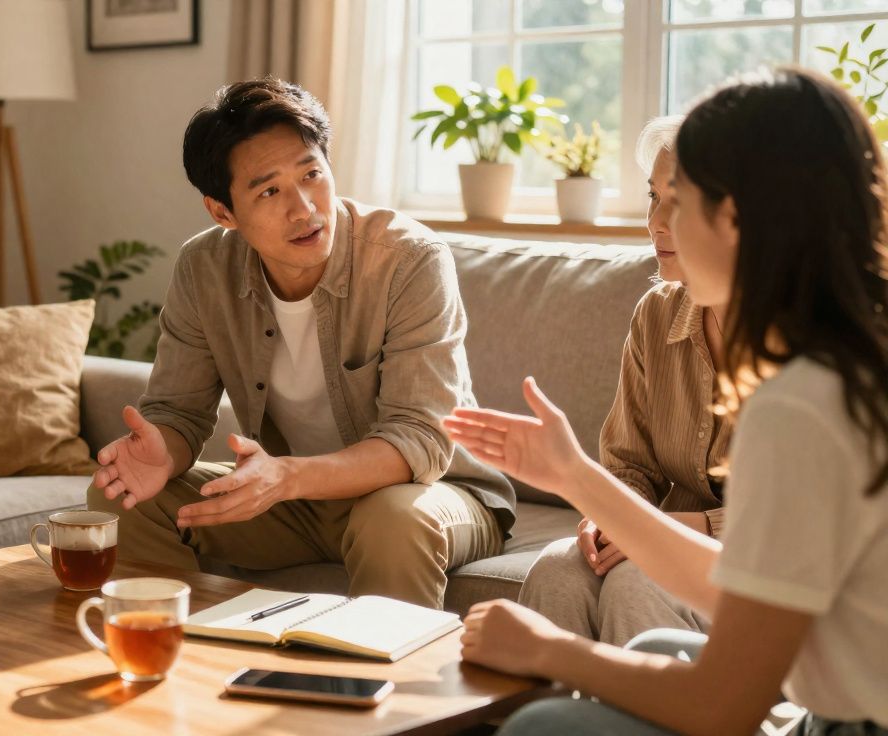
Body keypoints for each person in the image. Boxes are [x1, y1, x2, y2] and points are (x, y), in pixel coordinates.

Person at [444, 67, 888, 735]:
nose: (660, 225)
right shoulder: (846, 361)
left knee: (543, 726)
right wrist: (574, 475)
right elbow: (742, 587)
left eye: (677, 201)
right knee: (648, 649)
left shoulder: (800, 405)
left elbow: (722, 705)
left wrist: (550, 650)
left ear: (735, 217)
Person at [86, 78, 515, 609]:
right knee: (128, 501)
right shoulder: (204, 269)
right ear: (222, 212)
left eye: (312, 174)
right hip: (300, 500)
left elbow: (420, 440)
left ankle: (388, 689)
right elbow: (179, 413)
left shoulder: (409, 259)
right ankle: (183, 664)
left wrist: (285, 478)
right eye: (269, 191)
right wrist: (163, 452)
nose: (305, 207)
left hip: (435, 493)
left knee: (391, 518)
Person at [516, 115, 732, 646]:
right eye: (653, 198)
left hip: (777, 562)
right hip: (667, 535)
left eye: (676, 203)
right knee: (558, 573)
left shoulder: (819, 341)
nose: (655, 222)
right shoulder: (657, 314)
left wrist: (672, 529)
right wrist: (607, 517)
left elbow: (806, 517)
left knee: (637, 582)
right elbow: (628, 464)